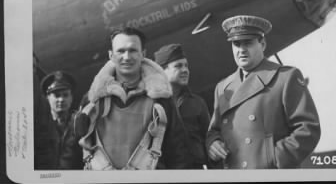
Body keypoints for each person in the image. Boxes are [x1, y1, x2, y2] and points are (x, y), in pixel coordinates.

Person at [206, 15, 321, 169]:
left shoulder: (285, 77)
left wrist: (272, 158)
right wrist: (213, 143)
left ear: (263, 44)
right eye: (236, 44)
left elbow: (308, 128)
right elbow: (214, 130)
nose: (241, 50)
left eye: (248, 43)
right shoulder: (223, 87)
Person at [74, 26, 189, 170]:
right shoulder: (91, 101)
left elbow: (179, 155)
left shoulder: (162, 101)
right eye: (121, 51)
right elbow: (73, 154)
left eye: (133, 50)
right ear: (111, 55)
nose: (127, 57)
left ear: (143, 54)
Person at [154, 44, 210, 169]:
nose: (185, 70)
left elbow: (209, 141)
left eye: (186, 66)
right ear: (162, 71)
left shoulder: (197, 103)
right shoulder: (153, 106)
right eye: (178, 66)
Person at [34, 71, 83, 169]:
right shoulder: (38, 126)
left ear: (71, 98)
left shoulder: (79, 123)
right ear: (47, 98)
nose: (61, 99)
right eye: (56, 95)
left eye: (65, 95)